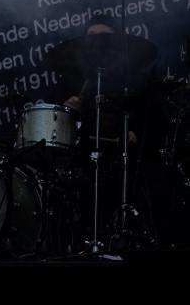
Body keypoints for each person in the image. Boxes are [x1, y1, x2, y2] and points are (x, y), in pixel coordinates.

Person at [43, 13, 161, 252]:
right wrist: (65, 111)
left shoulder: (134, 81)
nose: (98, 42)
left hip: (122, 167)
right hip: (78, 165)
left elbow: (156, 125)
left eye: (104, 37)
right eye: (92, 37)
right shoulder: (70, 81)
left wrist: (137, 134)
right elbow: (47, 129)